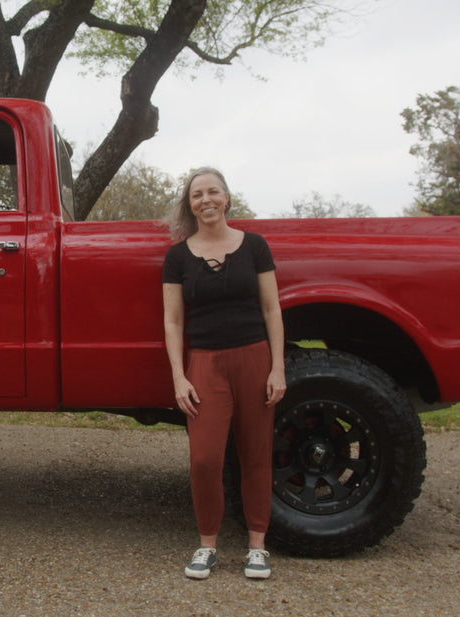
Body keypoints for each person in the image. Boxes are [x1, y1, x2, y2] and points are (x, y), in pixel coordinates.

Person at [161, 167, 285, 580]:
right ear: (190, 204)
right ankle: (207, 544)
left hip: (254, 358)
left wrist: (278, 368)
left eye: (213, 192)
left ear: (227, 198)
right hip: (204, 364)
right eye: (197, 195)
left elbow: (272, 309)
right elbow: (173, 321)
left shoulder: (254, 247)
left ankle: (257, 546)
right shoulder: (178, 256)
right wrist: (179, 376)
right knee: (205, 459)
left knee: (255, 455)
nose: (206, 200)